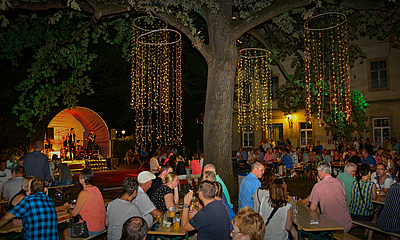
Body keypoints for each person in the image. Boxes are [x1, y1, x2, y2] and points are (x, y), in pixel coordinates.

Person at [308, 161, 352, 232]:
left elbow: (312, 208)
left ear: (321, 172)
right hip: (347, 223)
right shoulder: (339, 182)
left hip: (331, 225)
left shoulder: (318, 186)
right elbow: (344, 198)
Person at [63, 168, 106, 238]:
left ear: (82, 180)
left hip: (90, 229)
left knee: (66, 232)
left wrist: (68, 209)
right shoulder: (96, 189)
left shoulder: (84, 193)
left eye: (79, 176)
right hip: (101, 226)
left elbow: (74, 213)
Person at [349, 164, 378, 240]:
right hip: (366, 215)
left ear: (360, 174)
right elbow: (374, 199)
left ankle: (365, 233)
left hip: (353, 213)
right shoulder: (372, 185)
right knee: (375, 216)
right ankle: (369, 238)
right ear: (369, 173)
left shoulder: (354, 183)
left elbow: (353, 196)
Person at [377, 166, 400, 237]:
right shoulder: (395, 187)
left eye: (397, 173)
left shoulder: (393, 187)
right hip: (392, 225)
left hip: (383, 222)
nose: (396, 175)